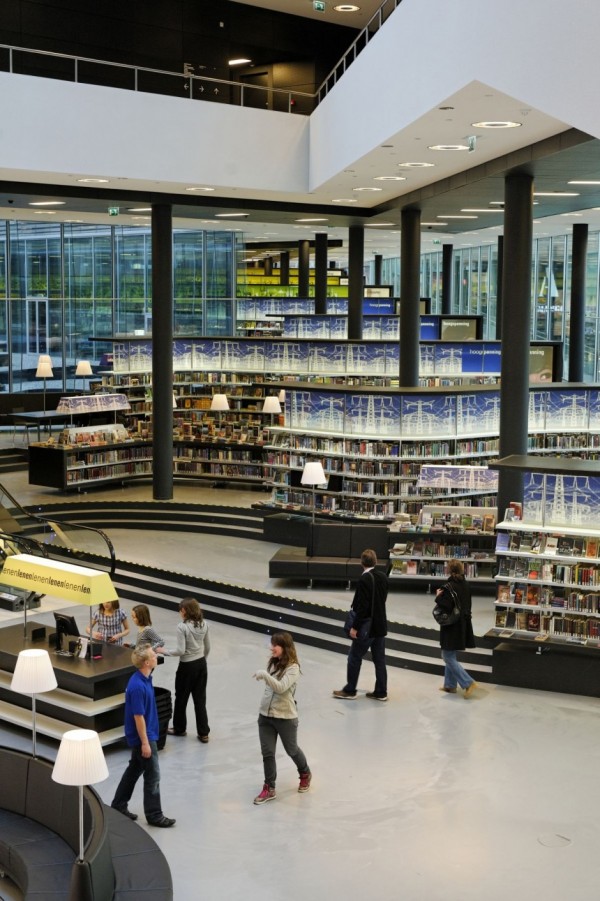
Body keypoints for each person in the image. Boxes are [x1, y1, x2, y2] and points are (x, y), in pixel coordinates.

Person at [111, 645, 175, 827]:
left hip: (147, 734)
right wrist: (145, 743)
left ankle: (118, 804)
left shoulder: (144, 678)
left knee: (134, 770)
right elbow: (138, 718)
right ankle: (154, 815)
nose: (156, 656)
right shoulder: (138, 687)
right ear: (147, 663)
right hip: (144, 737)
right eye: (153, 655)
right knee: (153, 775)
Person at [253, 631, 312, 805]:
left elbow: (280, 688)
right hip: (265, 717)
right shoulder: (274, 664)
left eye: (275, 645)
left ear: (285, 648)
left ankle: (305, 773)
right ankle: (269, 788)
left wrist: (264, 675)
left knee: (291, 750)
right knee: (268, 753)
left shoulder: (293, 668)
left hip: (285, 718)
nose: (272, 648)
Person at [333, 548, 389, 701]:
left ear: (361, 562)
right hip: (380, 625)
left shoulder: (364, 580)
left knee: (354, 656)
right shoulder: (383, 577)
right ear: (375, 561)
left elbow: (362, 607)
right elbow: (383, 599)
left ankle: (350, 690)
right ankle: (381, 691)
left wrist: (355, 627)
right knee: (380, 660)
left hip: (367, 627)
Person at [157, 597, 210, 742]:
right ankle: (203, 732)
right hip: (201, 664)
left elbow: (181, 650)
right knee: (200, 700)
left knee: (181, 698)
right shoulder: (204, 624)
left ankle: (179, 728)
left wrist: (163, 651)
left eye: (180, 610)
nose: (180, 613)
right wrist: (201, 659)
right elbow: (208, 647)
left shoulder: (182, 627)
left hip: (187, 667)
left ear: (185, 611)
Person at [435, 558, 478, 698]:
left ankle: (468, 682)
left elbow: (446, 606)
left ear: (449, 570)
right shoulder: (466, 584)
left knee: (447, 655)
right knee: (451, 653)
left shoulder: (448, 587)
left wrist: (438, 597)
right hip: (462, 623)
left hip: (451, 624)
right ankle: (450, 685)